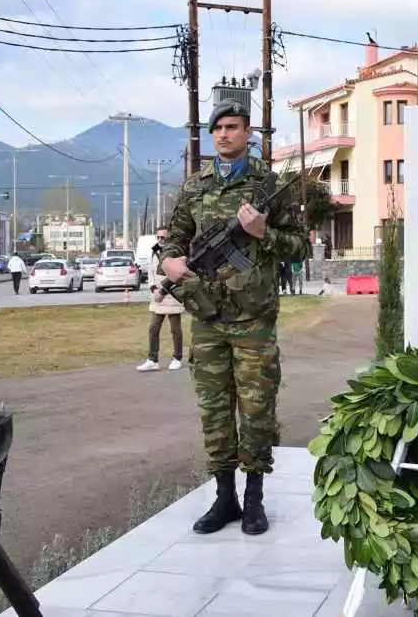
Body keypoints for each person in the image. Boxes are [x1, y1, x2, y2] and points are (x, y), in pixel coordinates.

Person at [159, 100, 310, 536]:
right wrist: (170, 262)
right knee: (214, 410)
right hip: (207, 317)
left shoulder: (268, 184)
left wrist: (265, 232)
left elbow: (300, 247)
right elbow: (175, 240)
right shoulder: (193, 187)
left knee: (258, 409)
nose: (224, 134)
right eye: (218, 128)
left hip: (254, 320)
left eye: (232, 127)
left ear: (248, 133)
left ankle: (254, 498)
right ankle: (224, 496)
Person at [138, 227, 184, 372]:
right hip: (158, 294)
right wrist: (153, 287)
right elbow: (151, 271)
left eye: (163, 237)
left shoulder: (176, 252)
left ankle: (177, 358)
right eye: (158, 237)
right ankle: (152, 359)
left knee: (175, 329)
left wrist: (166, 289)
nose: (160, 240)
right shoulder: (155, 251)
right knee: (153, 327)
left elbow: (179, 273)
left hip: (173, 292)